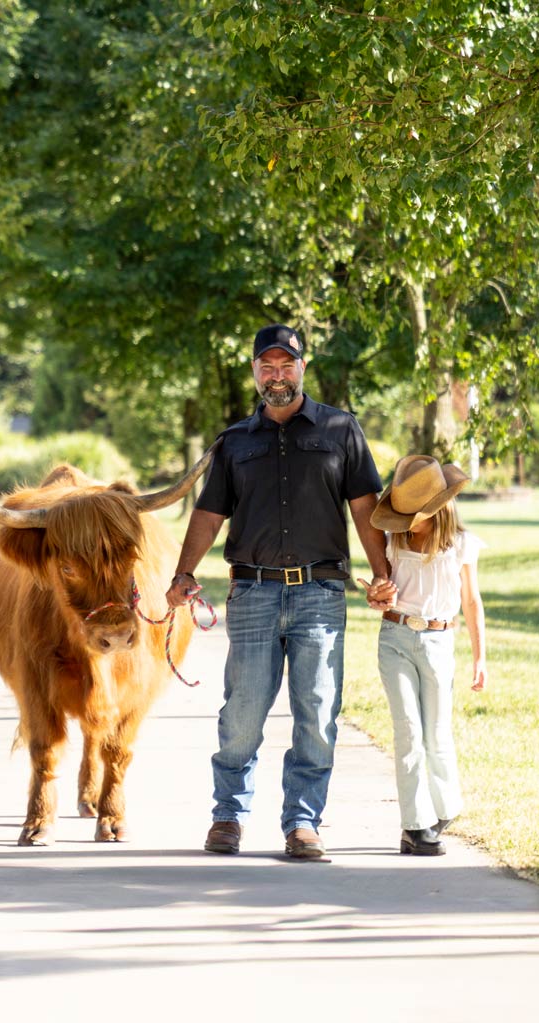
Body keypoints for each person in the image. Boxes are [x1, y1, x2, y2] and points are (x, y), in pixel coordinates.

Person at [164, 323, 395, 860]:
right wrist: (183, 574)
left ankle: (303, 823)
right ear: (254, 373)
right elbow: (208, 513)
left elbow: (365, 510)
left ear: (302, 369)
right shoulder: (234, 442)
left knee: (317, 711)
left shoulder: (341, 430)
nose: (276, 375)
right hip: (253, 593)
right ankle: (228, 817)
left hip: (320, 593)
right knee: (241, 715)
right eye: (266, 366)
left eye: (285, 365)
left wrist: (383, 574)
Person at [367, 454, 486, 856]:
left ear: (436, 509)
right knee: (408, 733)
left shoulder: (461, 545)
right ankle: (414, 827)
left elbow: (471, 601)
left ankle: (443, 809)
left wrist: (480, 658)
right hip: (396, 639)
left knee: (436, 733)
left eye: (411, 514)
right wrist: (375, 595)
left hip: (439, 642)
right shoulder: (393, 540)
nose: (404, 521)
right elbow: (380, 591)